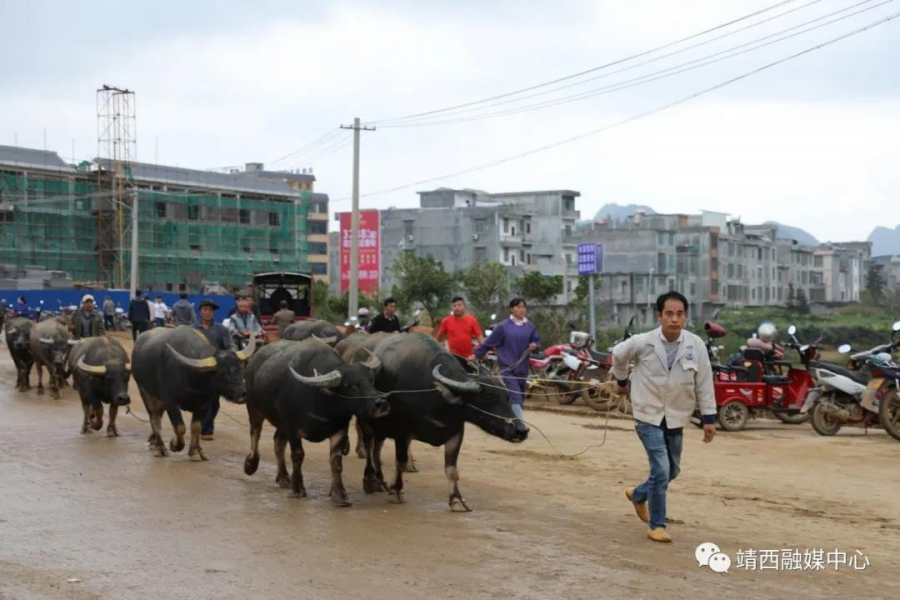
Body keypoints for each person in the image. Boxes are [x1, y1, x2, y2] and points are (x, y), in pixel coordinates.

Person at [612, 291, 716, 544]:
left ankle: (638, 494)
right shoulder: (643, 342)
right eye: (669, 314)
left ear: (685, 316)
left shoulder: (695, 345)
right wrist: (622, 381)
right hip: (647, 414)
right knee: (661, 469)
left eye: (679, 314)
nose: (674, 319)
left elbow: (704, 382)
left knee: (673, 470)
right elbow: (618, 354)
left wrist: (709, 418)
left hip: (676, 416)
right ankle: (656, 525)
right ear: (659, 316)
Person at [472, 298, 539, 431]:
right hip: (507, 367)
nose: (522, 310)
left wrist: (534, 346)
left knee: (520, 395)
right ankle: (520, 426)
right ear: (511, 309)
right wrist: (476, 355)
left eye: (523, 307)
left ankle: (505, 418)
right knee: (515, 394)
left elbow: (537, 342)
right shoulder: (503, 326)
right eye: (519, 307)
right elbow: (488, 343)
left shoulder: (530, 326)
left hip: (523, 367)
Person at [195, 300, 233, 440]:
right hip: (197, 369)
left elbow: (229, 347)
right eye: (205, 309)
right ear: (200, 312)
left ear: (213, 313)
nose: (207, 312)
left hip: (215, 369)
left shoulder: (221, 330)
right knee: (204, 400)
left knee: (214, 402)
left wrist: (228, 357)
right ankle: (206, 430)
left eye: (210, 310)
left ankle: (204, 424)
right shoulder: (193, 329)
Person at [438, 296, 484, 366]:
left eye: (459, 305)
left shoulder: (472, 320)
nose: (456, 307)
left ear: (464, 306)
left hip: (468, 358)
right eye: (454, 306)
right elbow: (439, 338)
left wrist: (484, 351)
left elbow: (480, 338)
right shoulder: (446, 321)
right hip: (452, 357)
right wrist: (445, 346)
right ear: (451, 308)